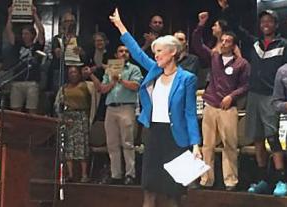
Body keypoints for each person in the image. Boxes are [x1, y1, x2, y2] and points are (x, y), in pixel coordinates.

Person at [110, 8, 201, 207]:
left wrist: (195, 144)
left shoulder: (187, 79)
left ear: (173, 52)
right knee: (149, 189)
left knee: (172, 194)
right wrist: (119, 25)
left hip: (176, 138)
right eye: (155, 52)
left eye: (160, 51)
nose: (156, 55)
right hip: (154, 134)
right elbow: (135, 51)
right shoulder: (154, 71)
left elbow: (190, 113)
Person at [219, 0, 287, 195]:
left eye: (269, 21)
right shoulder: (255, 43)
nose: (265, 24)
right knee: (257, 138)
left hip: (272, 97)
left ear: (276, 24)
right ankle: (263, 180)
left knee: (272, 138)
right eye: (262, 21)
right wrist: (226, 9)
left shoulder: (283, 45)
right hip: (254, 95)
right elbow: (235, 29)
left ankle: (281, 180)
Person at [192, 11, 250, 191]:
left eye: (227, 42)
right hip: (210, 106)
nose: (223, 43)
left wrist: (231, 96)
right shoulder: (213, 56)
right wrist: (200, 25)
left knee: (230, 145)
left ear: (234, 46)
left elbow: (246, 86)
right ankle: (206, 180)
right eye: (222, 41)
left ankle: (230, 181)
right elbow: (196, 44)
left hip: (228, 108)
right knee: (207, 145)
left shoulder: (242, 64)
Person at [99, 45, 142, 185]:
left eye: (126, 51)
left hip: (126, 107)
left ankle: (130, 174)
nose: (124, 53)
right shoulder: (109, 69)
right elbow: (102, 89)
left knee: (128, 143)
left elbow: (136, 86)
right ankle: (115, 174)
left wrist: (121, 80)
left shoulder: (134, 69)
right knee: (112, 144)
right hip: (111, 108)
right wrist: (112, 81)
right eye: (121, 51)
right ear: (116, 54)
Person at [54, 65, 100, 183]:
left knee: (81, 146)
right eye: (70, 72)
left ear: (79, 74)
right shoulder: (64, 88)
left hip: (81, 117)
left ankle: (84, 175)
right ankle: (70, 174)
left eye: (75, 72)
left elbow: (98, 88)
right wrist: (62, 117)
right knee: (68, 146)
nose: (73, 74)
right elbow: (58, 104)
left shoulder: (86, 85)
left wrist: (90, 74)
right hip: (67, 118)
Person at [5, 5, 45, 114]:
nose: (24, 36)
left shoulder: (37, 46)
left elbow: (41, 31)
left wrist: (34, 15)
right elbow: (9, 31)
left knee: (32, 111)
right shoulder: (18, 45)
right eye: (23, 33)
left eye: (26, 33)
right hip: (17, 81)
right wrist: (9, 15)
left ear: (32, 35)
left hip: (32, 82)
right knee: (16, 111)